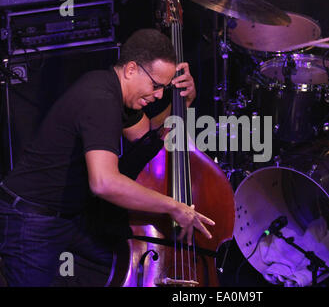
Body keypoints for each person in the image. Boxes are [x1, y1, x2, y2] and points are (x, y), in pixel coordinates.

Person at [0, 28, 215, 286]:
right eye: (156, 86)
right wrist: (173, 205)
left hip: (69, 217)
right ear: (131, 69)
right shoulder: (100, 99)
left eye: (164, 88)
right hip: (30, 220)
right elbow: (104, 183)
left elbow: (151, 139)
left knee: (123, 264)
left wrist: (184, 102)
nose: (159, 95)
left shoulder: (114, 92)